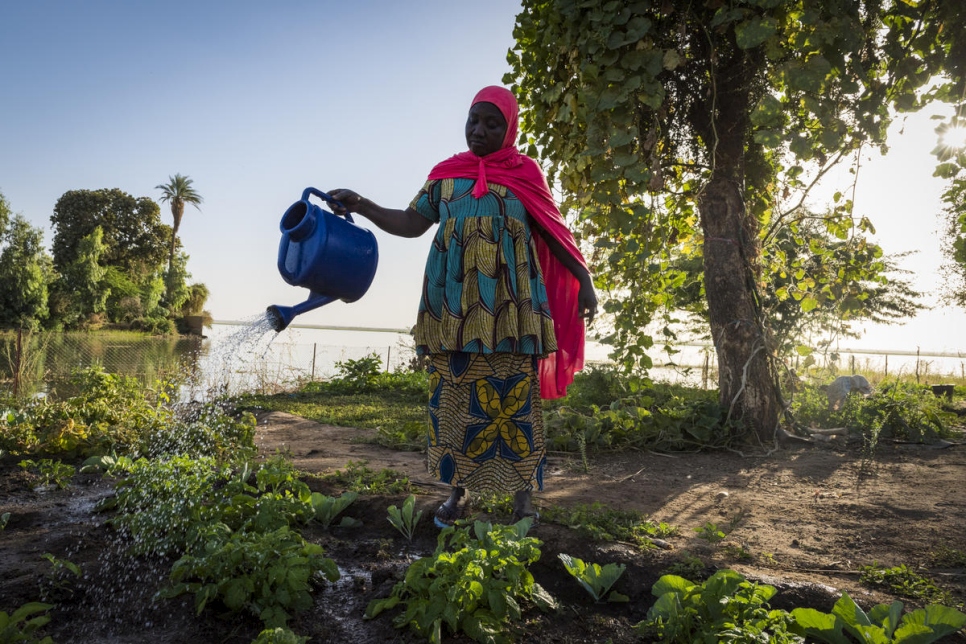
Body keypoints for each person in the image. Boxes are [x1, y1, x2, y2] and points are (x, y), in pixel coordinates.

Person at [329, 85, 596, 527]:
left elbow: (553, 232)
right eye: (474, 120)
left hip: (511, 312)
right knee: (453, 400)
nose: (480, 130)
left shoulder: (525, 174)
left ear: (509, 129)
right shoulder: (445, 177)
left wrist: (584, 279)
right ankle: (459, 494)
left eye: (493, 124)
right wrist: (364, 204)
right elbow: (412, 223)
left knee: (513, 402)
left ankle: (523, 500)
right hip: (452, 311)